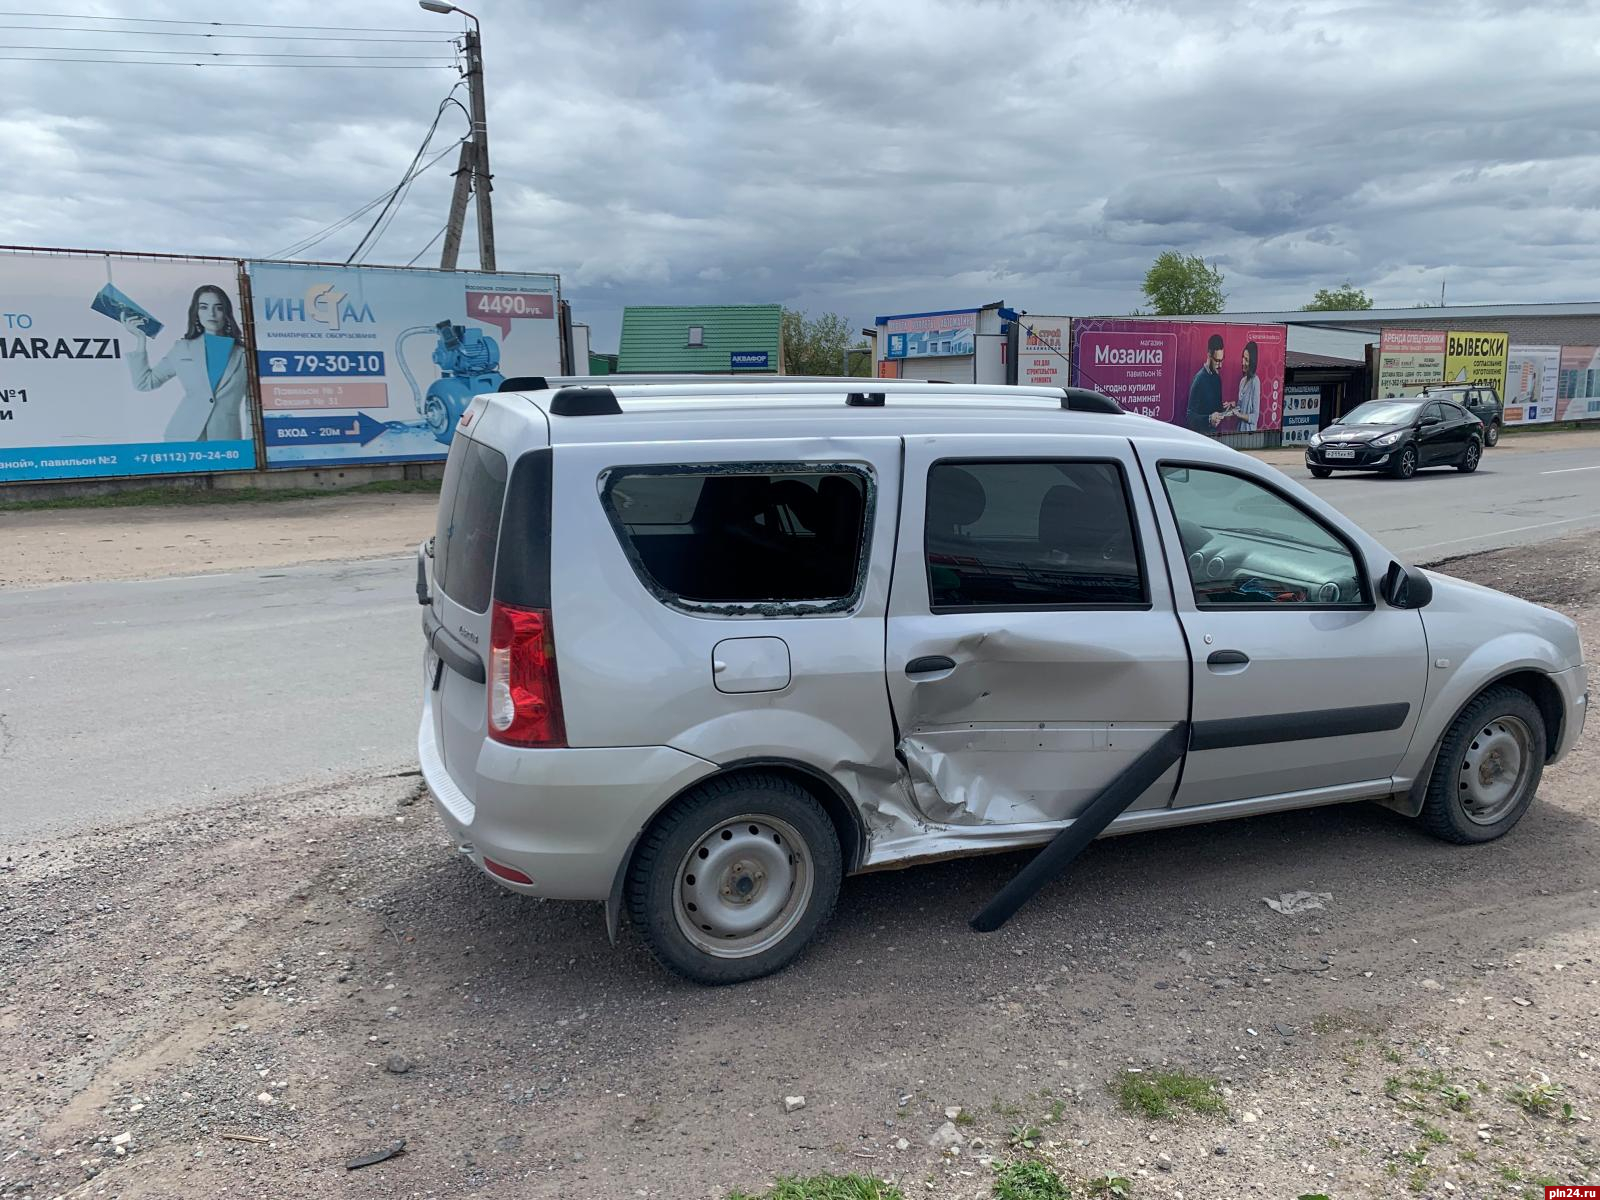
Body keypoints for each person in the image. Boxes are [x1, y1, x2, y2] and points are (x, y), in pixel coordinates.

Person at [124, 284, 249, 442]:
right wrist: (140, 340)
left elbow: (252, 405)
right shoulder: (182, 348)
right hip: (183, 434)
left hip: (225, 436)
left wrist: (252, 441)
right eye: (204, 307)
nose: (211, 313)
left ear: (226, 312)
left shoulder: (244, 355)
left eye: (218, 307)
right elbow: (144, 383)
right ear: (196, 312)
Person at [1185, 333, 1225, 433]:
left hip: (1215, 437)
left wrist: (1226, 408)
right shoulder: (1199, 379)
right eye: (1217, 361)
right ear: (1209, 355)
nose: (1220, 365)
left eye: (1222, 360)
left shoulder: (1217, 378)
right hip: (1201, 438)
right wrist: (1209, 419)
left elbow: (1216, 409)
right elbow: (1190, 417)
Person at [1226, 340, 1261, 432]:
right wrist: (1233, 406)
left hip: (1249, 433)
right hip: (1239, 431)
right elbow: (1240, 408)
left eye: (1246, 360)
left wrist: (1239, 415)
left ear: (1252, 362)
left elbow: (1255, 417)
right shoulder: (1242, 381)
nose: (1243, 362)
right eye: (1243, 358)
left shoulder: (1255, 382)